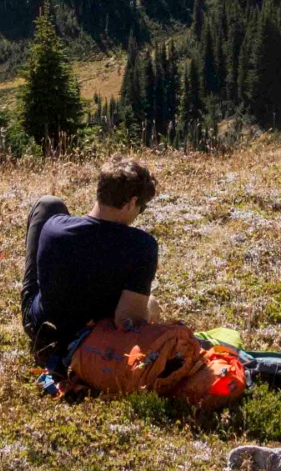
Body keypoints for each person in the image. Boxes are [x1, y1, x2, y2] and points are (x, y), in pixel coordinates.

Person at [21, 156, 243, 408]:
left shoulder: (53, 227)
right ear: (131, 203)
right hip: (87, 341)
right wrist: (151, 305)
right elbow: (127, 320)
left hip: (41, 328)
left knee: (49, 203)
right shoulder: (141, 246)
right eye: (142, 207)